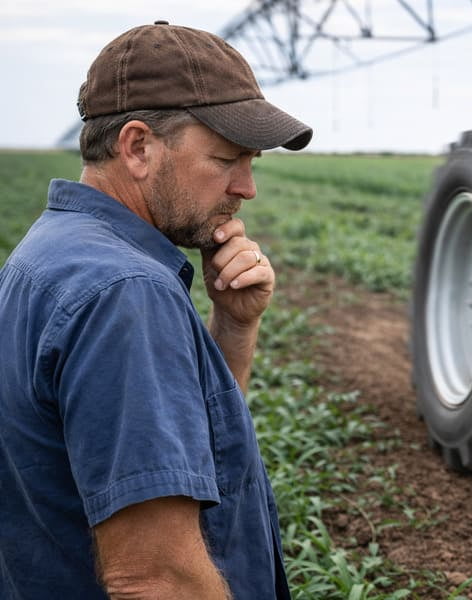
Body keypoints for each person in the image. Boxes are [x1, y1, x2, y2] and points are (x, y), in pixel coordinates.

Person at [0, 21, 312, 599]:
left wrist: (235, 326)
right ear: (138, 147)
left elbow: (185, 448)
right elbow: (155, 577)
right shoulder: (125, 291)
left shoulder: (51, 252)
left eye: (252, 162)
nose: (246, 187)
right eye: (226, 158)